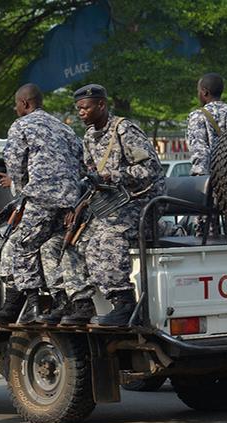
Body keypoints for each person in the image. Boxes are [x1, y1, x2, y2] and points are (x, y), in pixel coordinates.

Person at [59, 83, 165, 327]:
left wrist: (113, 176)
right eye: (78, 109)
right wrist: (78, 207)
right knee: (76, 240)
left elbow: (150, 169)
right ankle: (82, 303)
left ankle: (125, 303)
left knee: (108, 236)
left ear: (101, 105)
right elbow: (90, 176)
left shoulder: (124, 130)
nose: (81, 113)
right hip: (111, 204)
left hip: (142, 202)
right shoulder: (88, 137)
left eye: (85, 108)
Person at [0, 83, 83, 325]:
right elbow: (81, 162)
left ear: (25, 104)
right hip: (70, 203)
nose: (15, 109)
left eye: (16, 104)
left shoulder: (21, 125)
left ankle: (34, 305)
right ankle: (63, 303)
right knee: (52, 247)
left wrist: (19, 191)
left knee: (22, 246)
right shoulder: (64, 127)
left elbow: (15, 162)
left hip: (41, 199)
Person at [186, 73, 227, 176]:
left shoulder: (198, 116)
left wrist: (200, 181)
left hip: (216, 182)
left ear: (205, 92)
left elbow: (200, 152)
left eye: (199, 91)